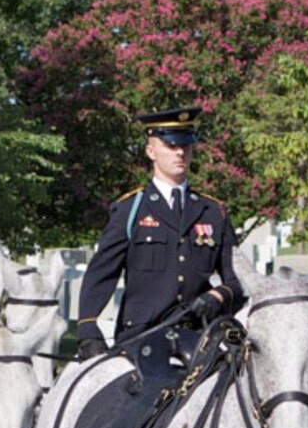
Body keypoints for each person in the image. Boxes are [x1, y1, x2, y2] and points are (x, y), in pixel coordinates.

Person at [73, 106, 244, 361]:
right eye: (170, 145)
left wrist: (217, 296)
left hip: (200, 339)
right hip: (141, 338)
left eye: (185, 146)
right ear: (151, 151)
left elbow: (239, 278)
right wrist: (87, 327)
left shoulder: (212, 211)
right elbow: (102, 272)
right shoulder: (131, 209)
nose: (180, 152)